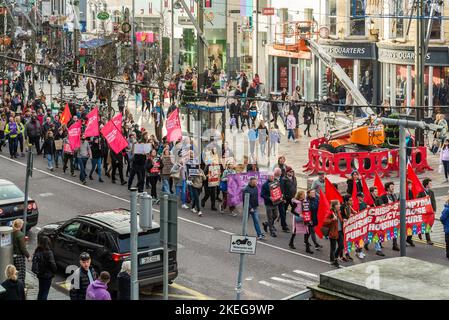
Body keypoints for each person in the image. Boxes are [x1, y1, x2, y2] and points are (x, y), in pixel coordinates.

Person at [32, 235, 57, 300]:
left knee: (41, 291)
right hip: (47, 276)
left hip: (40, 274)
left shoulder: (37, 251)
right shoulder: (49, 252)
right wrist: (54, 271)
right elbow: (52, 264)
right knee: (45, 292)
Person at [380, 182, 400, 251]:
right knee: (384, 231)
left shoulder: (394, 195)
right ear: (388, 188)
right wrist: (386, 204)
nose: (393, 188)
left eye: (393, 186)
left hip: (393, 216)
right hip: (386, 217)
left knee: (395, 230)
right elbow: (381, 205)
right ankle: (378, 243)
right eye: (392, 186)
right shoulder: (383, 196)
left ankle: (395, 245)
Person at [324, 200, 344, 268]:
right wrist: (332, 219)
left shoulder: (338, 212)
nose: (340, 205)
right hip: (333, 232)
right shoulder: (330, 212)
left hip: (340, 231)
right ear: (335, 205)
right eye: (338, 204)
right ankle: (333, 260)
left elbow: (340, 220)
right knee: (333, 248)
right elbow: (325, 222)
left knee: (341, 246)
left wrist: (343, 220)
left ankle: (335, 257)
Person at [261, 173, 281, 238]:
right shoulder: (265, 185)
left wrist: (281, 195)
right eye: (271, 177)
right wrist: (269, 198)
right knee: (270, 217)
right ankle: (271, 231)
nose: (272, 178)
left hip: (275, 203)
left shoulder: (276, 183)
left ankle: (266, 224)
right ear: (268, 177)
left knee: (275, 216)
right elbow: (262, 194)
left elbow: (279, 191)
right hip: (268, 204)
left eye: (273, 176)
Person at [417, 178, 435, 245]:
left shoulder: (431, 192)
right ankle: (420, 232)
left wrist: (434, 210)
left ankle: (428, 240)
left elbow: (433, 201)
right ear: (426, 185)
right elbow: (418, 201)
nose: (431, 185)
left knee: (428, 224)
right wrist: (424, 199)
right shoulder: (421, 192)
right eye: (430, 183)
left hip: (429, 211)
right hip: (423, 211)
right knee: (422, 224)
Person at [12, 219, 30, 285]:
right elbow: (23, 248)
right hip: (19, 256)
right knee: (21, 273)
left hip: (13, 256)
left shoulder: (12, 233)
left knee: (15, 272)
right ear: (20, 225)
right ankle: (20, 287)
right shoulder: (20, 235)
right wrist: (28, 256)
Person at [440, 196, 449, 260]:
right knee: (448, 241)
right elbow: (442, 218)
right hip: (448, 229)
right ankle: (448, 254)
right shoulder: (447, 209)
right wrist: (445, 224)